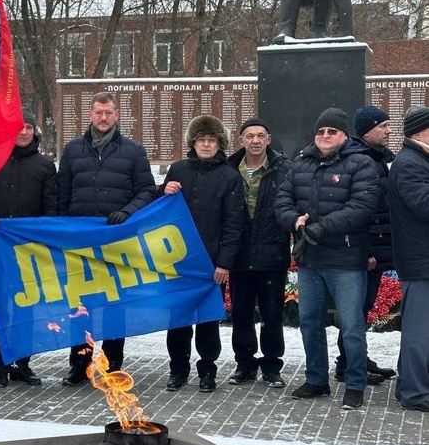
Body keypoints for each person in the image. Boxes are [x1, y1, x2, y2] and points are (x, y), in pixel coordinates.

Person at [275, 107, 378, 410]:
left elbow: (362, 206)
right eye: (320, 131)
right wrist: (296, 221)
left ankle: (355, 383)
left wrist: (321, 227)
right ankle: (316, 379)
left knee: (351, 325)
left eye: (332, 131)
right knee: (309, 322)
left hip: (345, 260)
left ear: (345, 135)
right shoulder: (301, 163)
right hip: (310, 259)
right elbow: (283, 200)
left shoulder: (361, 164)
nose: (325, 136)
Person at [56, 92, 156, 386]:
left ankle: (112, 366)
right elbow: (62, 194)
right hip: (79, 244)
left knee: (115, 306)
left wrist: (126, 213)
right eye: (98, 113)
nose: (103, 118)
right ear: (90, 115)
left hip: (116, 242)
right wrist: (61, 232)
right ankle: (80, 363)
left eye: (108, 113)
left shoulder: (133, 151)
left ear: (116, 115)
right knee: (80, 307)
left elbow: (147, 192)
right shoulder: (73, 150)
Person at [0, 111, 57, 389]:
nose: (24, 132)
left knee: (27, 309)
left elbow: (51, 210)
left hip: (29, 252)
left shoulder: (44, 166)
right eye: (19, 128)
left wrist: (42, 235)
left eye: (29, 127)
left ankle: (21, 364)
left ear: (34, 131)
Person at [162, 115, 244, 393]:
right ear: (193, 143)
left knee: (207, 320)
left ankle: (207, 371)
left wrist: (224, 263)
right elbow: (160, 211)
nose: (206, 144)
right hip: (179, 261)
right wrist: (163, 189)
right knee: (179, 320)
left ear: (219, 143)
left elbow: (234, 223)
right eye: (201, 139)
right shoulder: (178, 170)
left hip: (211, 263)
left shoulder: (229, 176)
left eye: (211, 140)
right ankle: (178, 370)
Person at [226, 118, 291, 388]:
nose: (255, 140)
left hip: (271, 255)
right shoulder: (229, 169)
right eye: (249, 135)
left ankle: (272, 365)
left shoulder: (284, 170)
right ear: (240, 140)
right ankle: (245, 364)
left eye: (260, 136)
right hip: (239, 256)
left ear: (269, 139)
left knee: (272, 314)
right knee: (241, 315)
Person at [335, 106, 397, 384]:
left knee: (362, 307)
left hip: (378, 245)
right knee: (356, 309)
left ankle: (355, 359)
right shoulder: (362, 161)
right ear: (367, 130)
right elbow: (361, 211)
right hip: (366, 248)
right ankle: (347, 365)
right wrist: (369, 250)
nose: (389, 130)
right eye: (383, 126)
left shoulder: (375, 158)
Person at [388, 105, 429, 412]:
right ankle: (416, 394)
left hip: (421, 259)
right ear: (420, 132)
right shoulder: (410, 162)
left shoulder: (417, 159)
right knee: (419, 332)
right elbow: (423, 205)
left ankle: (409, 387)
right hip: (420, 262)